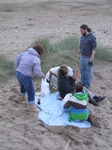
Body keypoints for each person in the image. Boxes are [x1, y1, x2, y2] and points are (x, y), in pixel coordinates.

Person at [15, 44, 45, 111]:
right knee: (31, 91)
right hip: (26, 76)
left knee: (22, 85)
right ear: (39, 52)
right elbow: (37, 72)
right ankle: (31, 107)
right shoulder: (36, 59)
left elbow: (17, 61)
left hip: (18, 73)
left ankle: (22, 97)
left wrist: (17, 69)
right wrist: (43, 75)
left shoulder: (24, 53)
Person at [78, 24, 97, 88]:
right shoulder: (82, 36)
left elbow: (94, 48)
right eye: (80, 31)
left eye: (81, 31)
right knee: (82, 70)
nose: (81, 32)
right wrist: (79, 53)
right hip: (82, 57)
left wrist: (92, 57)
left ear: (85, 29)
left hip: (88, 57)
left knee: (88, 72)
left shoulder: (92, 37)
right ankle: (82, 83)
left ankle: (87, 85)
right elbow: (80, 46)